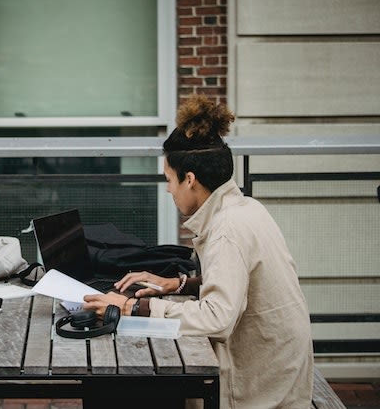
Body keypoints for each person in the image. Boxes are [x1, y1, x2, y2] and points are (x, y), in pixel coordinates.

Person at [83, 95, 314, 408]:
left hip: (261, 388)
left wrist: (130, 308)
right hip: (281, 370)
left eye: (169, 180)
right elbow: (239, 282)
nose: (167, 189)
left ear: (189, 179)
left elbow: (218, 319)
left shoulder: (226, 229)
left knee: (121, 392)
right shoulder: (246, 208)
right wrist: (177, 285)